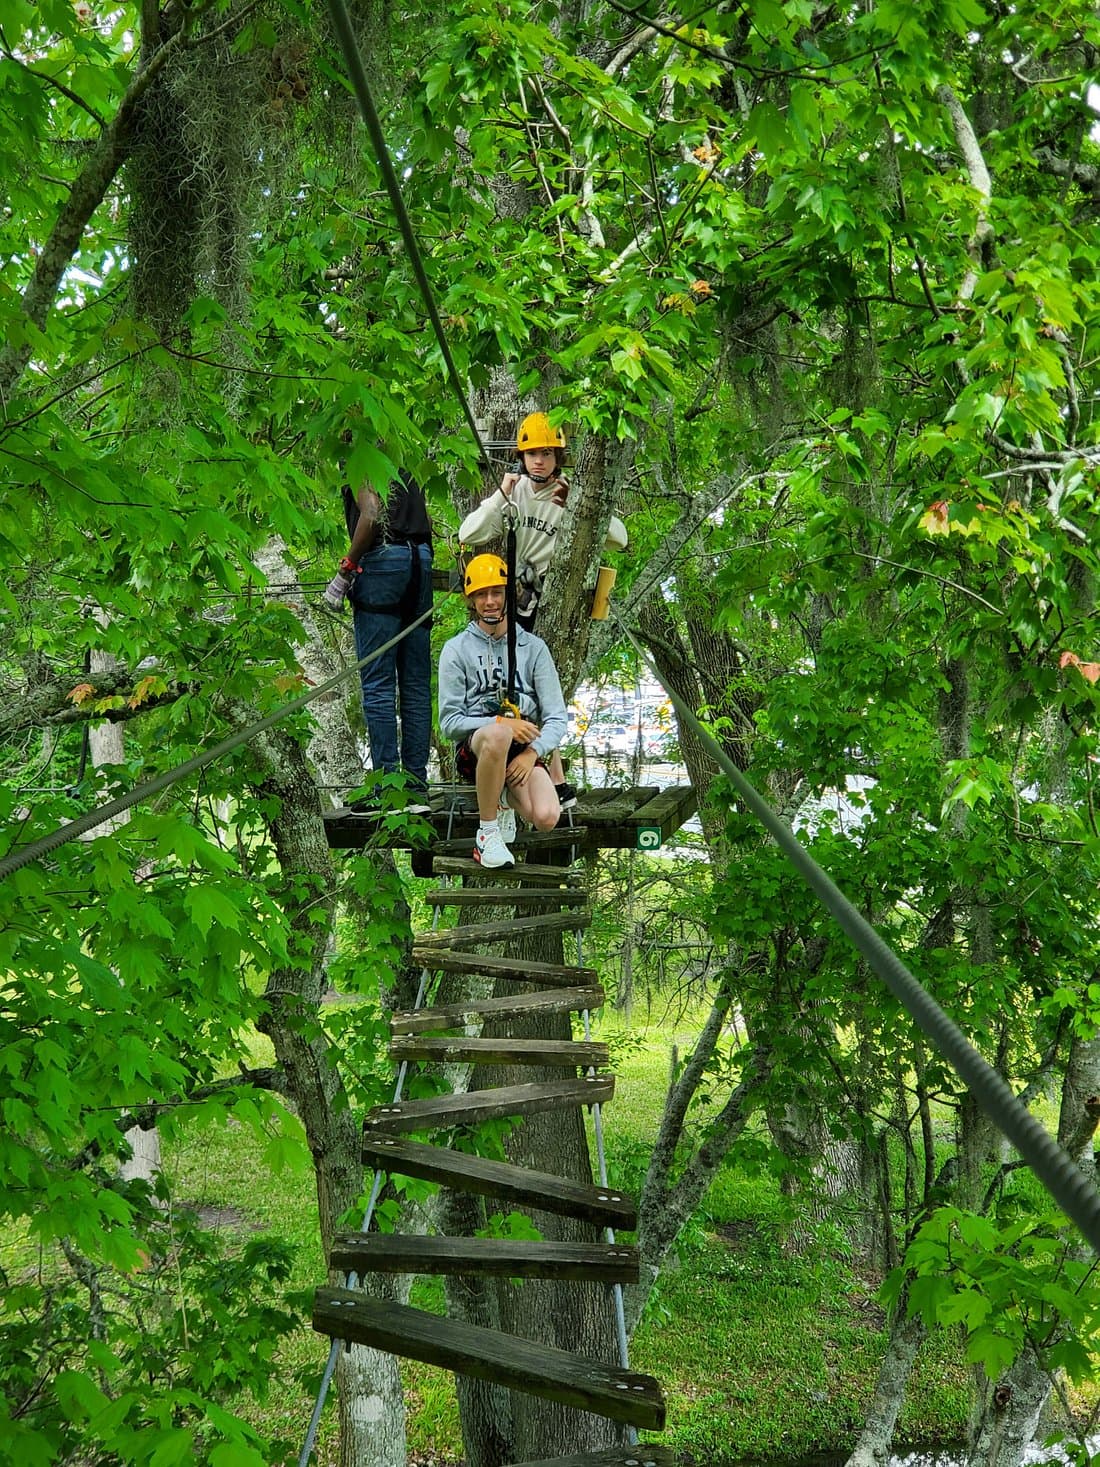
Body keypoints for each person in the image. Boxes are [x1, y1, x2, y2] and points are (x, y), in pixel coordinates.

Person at [458, 412, 628, 807]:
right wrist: (501, 495)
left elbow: (619, 539)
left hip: (554, 600)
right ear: (522, 455)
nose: (539, 461)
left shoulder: (569, 493)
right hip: (518, 602)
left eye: (547, 454)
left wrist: (579, 506)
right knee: (517, 683)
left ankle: (554, 771)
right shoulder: (514, 493)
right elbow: (469, 533)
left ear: (558, 458)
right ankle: (532, 770)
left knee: (545, 684)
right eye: (532, 453)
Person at [438, 554, 566, 869]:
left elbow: (557, 717)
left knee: (547, 817)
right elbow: (450, 722)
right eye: (482, 594)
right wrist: (500, 724)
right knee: (497, 734)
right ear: (471, 600)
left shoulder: (533, 648)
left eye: (496, 592)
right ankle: (488, 833)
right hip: (480, 748)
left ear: (508, 594)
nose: (490, 601)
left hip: (521, 750)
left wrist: (531, 752)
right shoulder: (456, 650)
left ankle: (503, 798)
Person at [323, 470, 433, 811]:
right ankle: (416, 788)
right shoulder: (403, 453)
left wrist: (346, 571)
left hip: (383, 563)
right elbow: (424, 518)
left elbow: (371, 514)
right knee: (415, 685)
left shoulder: (362, 454)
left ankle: (388, 787)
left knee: (378, 685)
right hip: (420, 563)